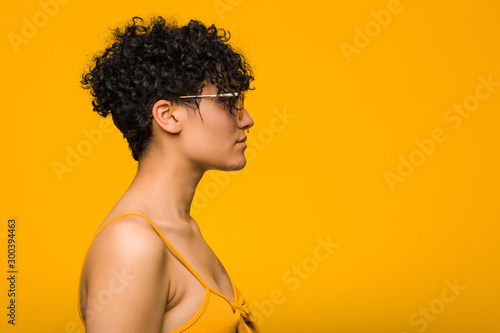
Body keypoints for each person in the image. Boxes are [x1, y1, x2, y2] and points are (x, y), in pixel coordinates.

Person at [77, 16, 259, 333]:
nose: (247, 119)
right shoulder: (132, 244)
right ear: (168, 115)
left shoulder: (185, 229)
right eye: (228, 101)